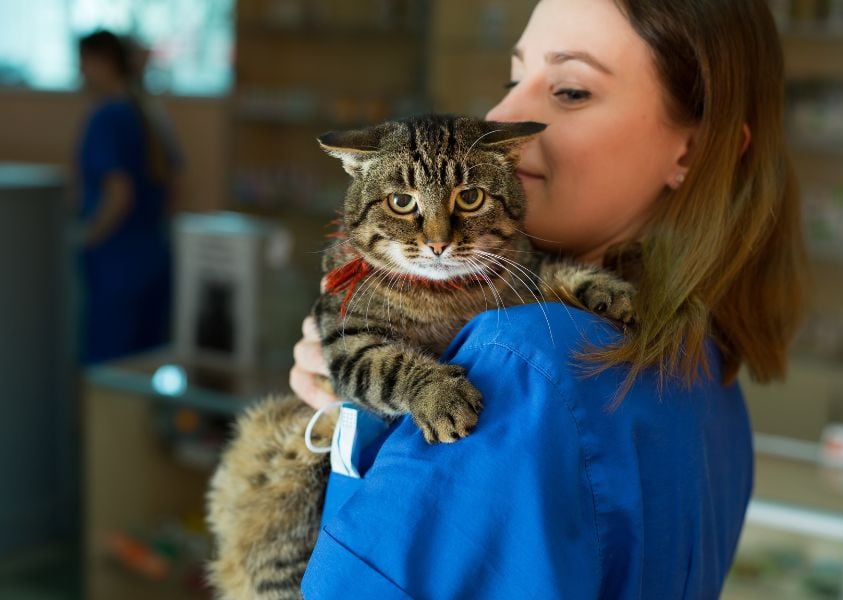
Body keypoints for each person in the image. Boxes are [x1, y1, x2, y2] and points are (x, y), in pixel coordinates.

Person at [291, 0, 807, 596]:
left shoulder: (523, 359)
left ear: (691, 151)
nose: (502, 113)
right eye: (513, 78)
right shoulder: (712, 372)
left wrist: (361, 435)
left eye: (569, 91)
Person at [76, 30, 181, 364]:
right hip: (153, 260)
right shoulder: (148, 113)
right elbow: (174, 183)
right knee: (144, 373)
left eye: (83, 64)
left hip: (117, 266)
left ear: (102, 63)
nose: (80, 75)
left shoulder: (107, 118)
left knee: (109, 377)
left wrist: (84, 238)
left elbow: (118, 194)